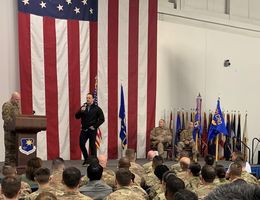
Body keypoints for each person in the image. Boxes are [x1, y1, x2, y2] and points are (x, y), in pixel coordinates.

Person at [75, 93, 105, 166]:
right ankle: (86, 159)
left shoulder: (97, 108)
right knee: (81, 144)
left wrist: (95, 126)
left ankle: (94, 161)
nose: (87, 99)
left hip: (92, 130)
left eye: (89, 98)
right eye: (87, 98)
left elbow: (102, 119)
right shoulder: (83, 107)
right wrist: (80, 111)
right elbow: (76, 117)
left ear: (93, 99)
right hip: (84, 130)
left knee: (92, 146)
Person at [2, 92, 21, 166]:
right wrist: (14, 125)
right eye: (16, 99)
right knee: (9, 150)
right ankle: (7, 167)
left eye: (19, 100)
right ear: (12, 98)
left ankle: (13, 167)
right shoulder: (7, 105)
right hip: (9, 131)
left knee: (15, 150)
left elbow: (19, 117)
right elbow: (6, 118)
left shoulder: (16, 106)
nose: (18, 101)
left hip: (16, 131)